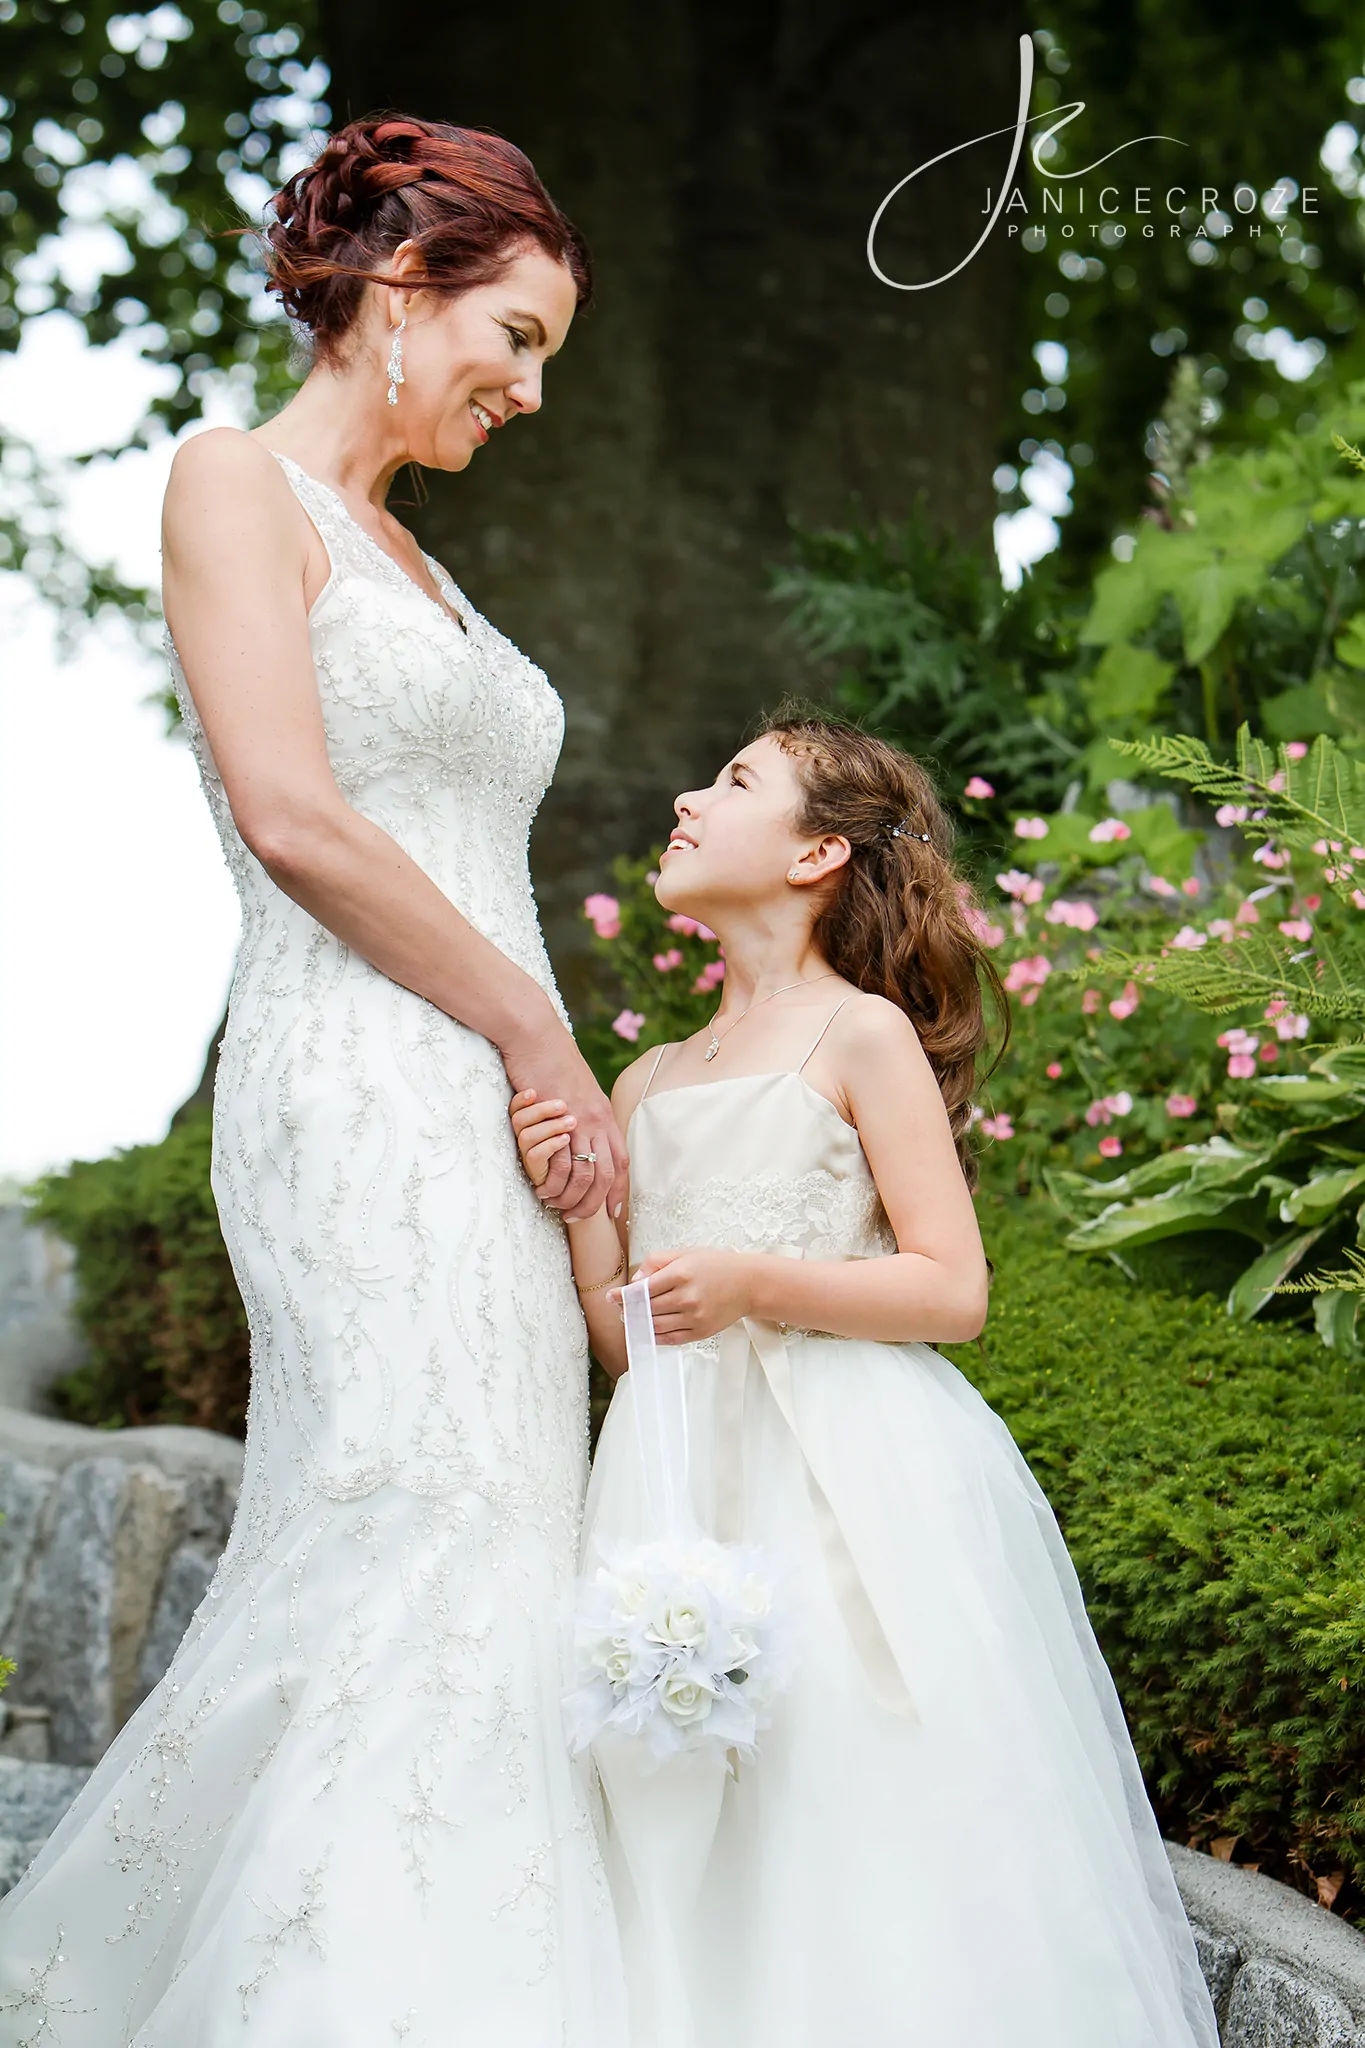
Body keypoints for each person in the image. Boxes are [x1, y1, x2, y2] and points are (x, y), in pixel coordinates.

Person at [0, 117, 631, 2046]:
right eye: (511, 338)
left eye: (544, 361)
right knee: (415, 1505)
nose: (525, 392)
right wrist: (539, 1035)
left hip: (499, 1093)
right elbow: (292, 815)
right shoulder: (230, 486)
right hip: (362, 1087)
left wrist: (561, 1084)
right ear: (393, 285)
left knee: (503, 1526)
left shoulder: (417, 563)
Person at [509, 712, 1221, 2048]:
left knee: (839, 1786)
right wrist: (581, 1208)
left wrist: (757, 1283)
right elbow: (624, 1338)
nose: (687, 797)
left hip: (838, 1479)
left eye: (731, 782)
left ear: (818, 852)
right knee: (686, 1796)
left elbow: (952, 1288)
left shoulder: (860, 1038)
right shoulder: (650, 1075)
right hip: (675, 1480)